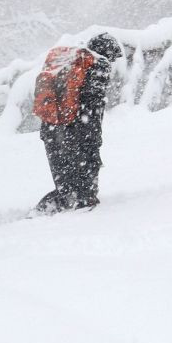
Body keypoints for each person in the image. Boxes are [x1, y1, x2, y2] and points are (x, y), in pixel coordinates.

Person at [36, 33, 121, 213]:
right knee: (86, 171)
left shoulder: (70, 61)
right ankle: (84, 208)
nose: (113, 62)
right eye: (113, 57)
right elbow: (92, 105)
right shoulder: (99, 64)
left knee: (64, 177)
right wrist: (93, 138)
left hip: (51, 127)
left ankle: (50, 208)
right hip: (77, 128)